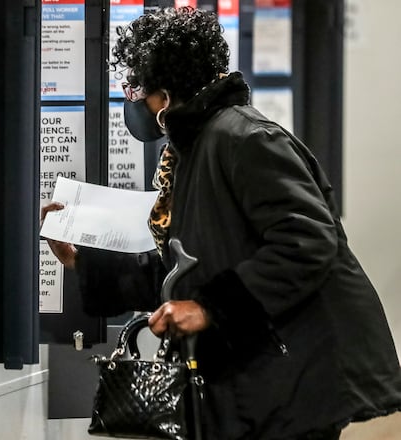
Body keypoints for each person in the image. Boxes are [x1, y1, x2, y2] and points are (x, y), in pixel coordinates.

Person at [41, 7, 401, 440]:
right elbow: (188, 268)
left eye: (135, 87)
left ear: (165, 94)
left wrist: (210, 308)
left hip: (292, 376)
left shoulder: (245, 139)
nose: (131, 100)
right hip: (259, 376)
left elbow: (306, 241)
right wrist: (86, 263)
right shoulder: (194, 149)